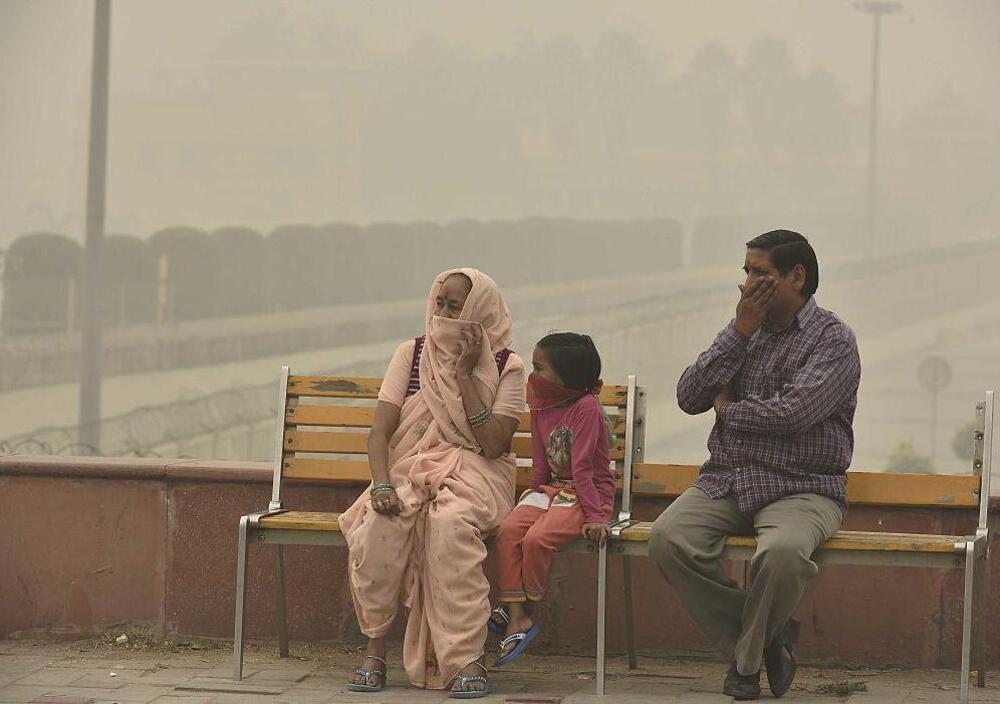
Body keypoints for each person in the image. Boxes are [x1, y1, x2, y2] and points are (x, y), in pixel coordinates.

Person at [649, 230, 861, 700]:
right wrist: (739, 330)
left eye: (760, 273)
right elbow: (688, 397)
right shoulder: (743, 331)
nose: (748, 284)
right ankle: (768, 639)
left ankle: (744, 667)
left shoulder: (833, 340)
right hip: (729, 477)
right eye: (745, 273)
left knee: (782, 555)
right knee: (668, 539)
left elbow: (794, 413)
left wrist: (727, 410)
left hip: (805, 486)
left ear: (796, 277)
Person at [339, 268, 526, 699]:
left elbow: (494, 444)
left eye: (455, 306)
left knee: (451, 528)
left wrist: (463, 375)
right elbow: (380, 434)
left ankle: (467, 659)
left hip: (477, 473)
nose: (442, 313)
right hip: (409, 469)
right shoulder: (412, 353)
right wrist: (382, 486)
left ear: (479, 310)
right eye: (440, 302)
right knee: (378, 527)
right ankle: (374, 648)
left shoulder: (506, 365)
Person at [489, 333, 614, 665]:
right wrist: (531, 496)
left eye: (539, 368)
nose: (533, 376)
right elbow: (541, 462)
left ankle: (522, 609)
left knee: (538, 538)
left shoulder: (586, 407)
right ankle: (517, 613)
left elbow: (585, 468)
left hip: (587, 495)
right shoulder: (542, 404)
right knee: (511, 530)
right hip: (553, 489)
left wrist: (596, 516)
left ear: (566, 376)